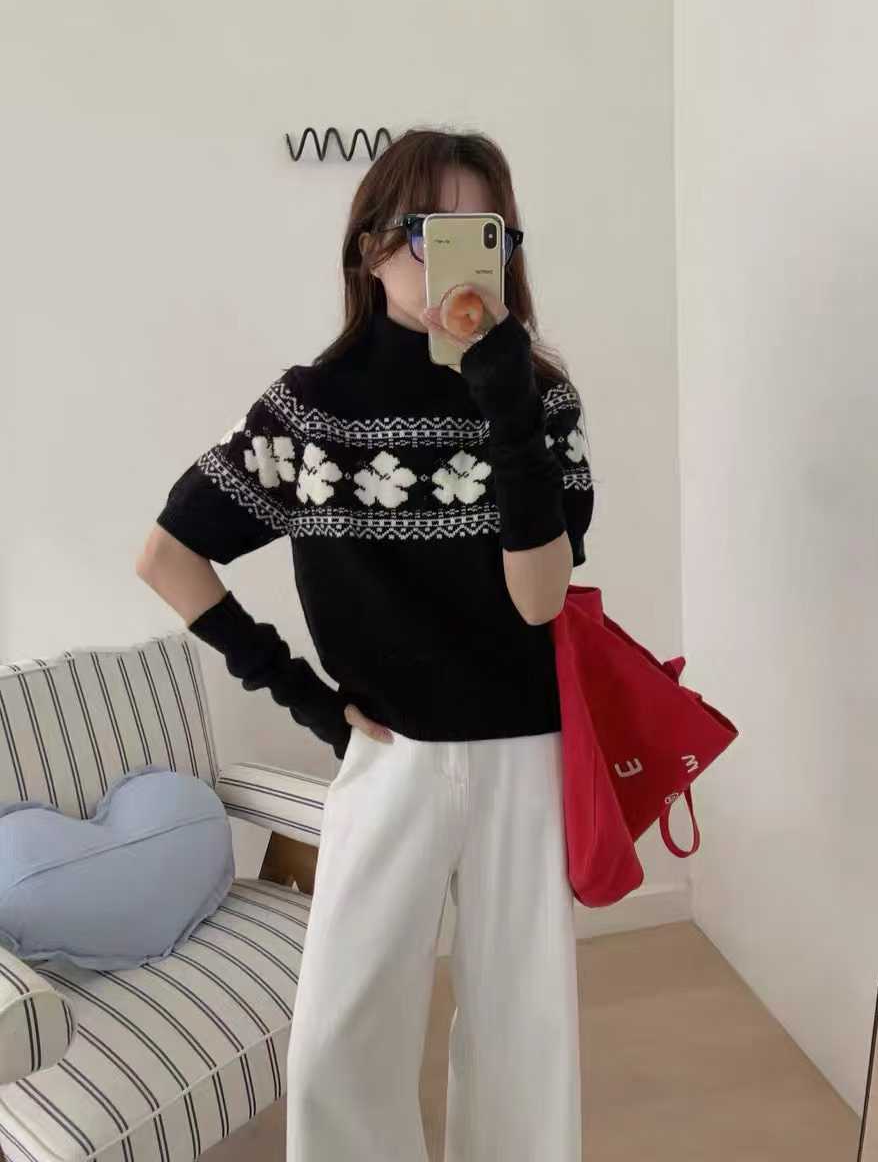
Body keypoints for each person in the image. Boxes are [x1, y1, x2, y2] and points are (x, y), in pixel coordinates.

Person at [137, 127, 595, 1162]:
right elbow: (168, 555)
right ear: (372, 246)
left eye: (487, 233)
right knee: (341, 1041)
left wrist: (507, 409)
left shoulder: (540, 397)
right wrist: (305, 698)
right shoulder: (312, 408)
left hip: (524, 749)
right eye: (433, 231)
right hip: (387, 755)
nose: (461, 259)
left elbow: (539, 602)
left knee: (525, 1031)